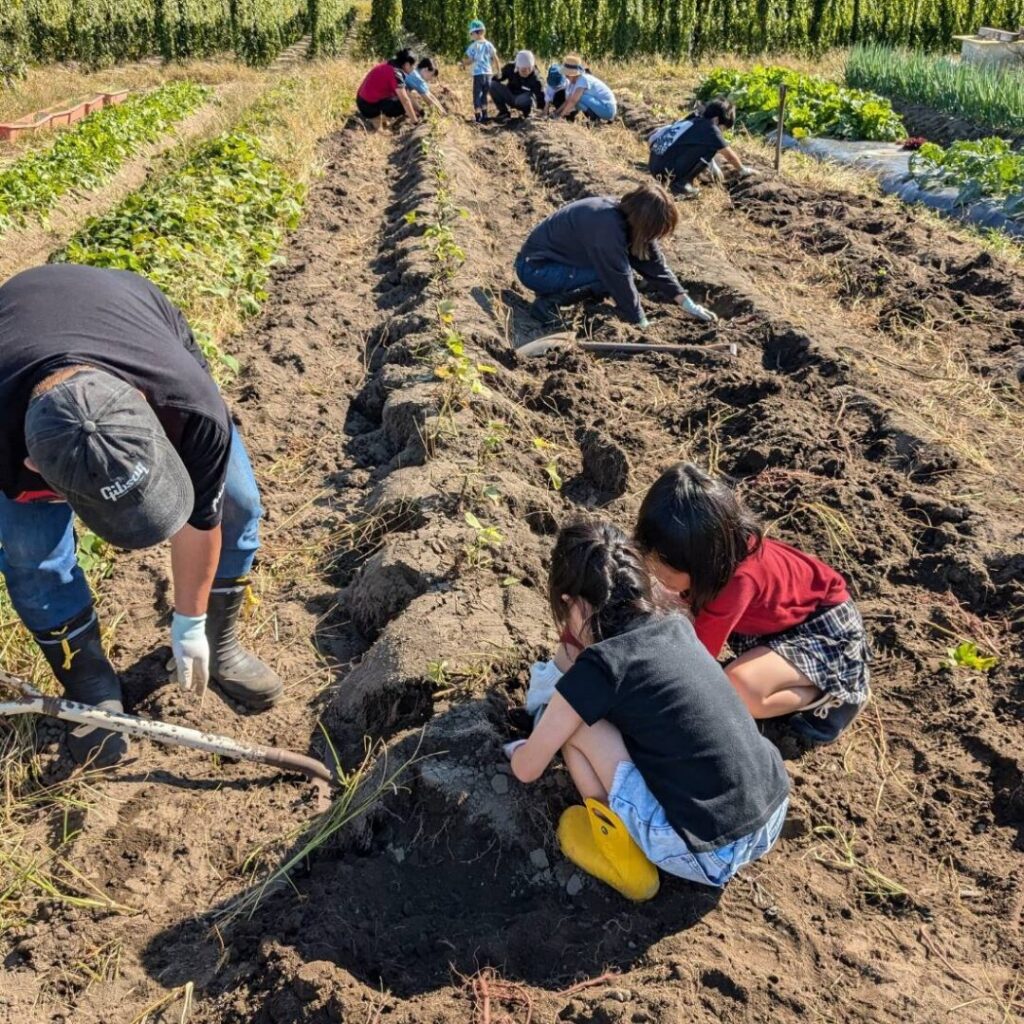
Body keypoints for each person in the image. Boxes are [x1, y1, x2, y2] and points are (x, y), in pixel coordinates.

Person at [0, 265, 284, 766]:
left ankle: (222, 641)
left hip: (128, 313)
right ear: (32, 464)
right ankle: (89, 684)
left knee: (237, 502)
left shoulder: (184, 400)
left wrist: (191, 623)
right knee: (29, 554)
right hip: (19, 350)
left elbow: (203, 520)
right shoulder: (5, 447)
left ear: (143, 406)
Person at [504, 521, 790, 899]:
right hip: (771, 808)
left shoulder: (599, 669)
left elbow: (527, 771)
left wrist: (520, 749)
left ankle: (620, 852)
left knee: (576, 727)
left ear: (572, 603)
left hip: (707, 853)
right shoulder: (677, 626)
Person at [634, 463, 871, 744]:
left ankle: (825, 694)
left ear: (701, 565)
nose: (658, 575)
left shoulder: (737, 582)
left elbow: (696, 660)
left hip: (821, 630)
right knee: (666, 605)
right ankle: (775, 669)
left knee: (739, 689)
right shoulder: (718, 551)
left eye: (665, 571)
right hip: (775, 623)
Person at [515, 182, 717, 326]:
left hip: (558, 266)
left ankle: (568, 296)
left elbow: (655, 265)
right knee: (608, 278)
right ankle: (546, 305)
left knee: (613, 277)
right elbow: (618, 276)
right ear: (644, 223)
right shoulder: (606, 226)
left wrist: (687, 303)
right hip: (535, 270)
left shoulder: (628, 220)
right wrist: (639, 320)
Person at [649, 98, 755, 198]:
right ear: (717, 120)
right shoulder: (711, 128)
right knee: (711, 148)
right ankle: (680, 185)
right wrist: (743, 169)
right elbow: (729, 155)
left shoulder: (695, 119)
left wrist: (712, 164)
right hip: (665, 171)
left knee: (707, 147)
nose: (721, 133)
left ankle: (679, 181)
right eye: (723, 129)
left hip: (654, 164)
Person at [356, 48, 419, 129]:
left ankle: (382, 119)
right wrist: (415, 123)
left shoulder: (391, 63)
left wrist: (419, 110)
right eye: (413, 66)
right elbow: (405, 100)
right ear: (407, 64)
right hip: (368, 104)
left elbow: (406, 93)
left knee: (399, 103)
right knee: (380, 131)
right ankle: (376, 119)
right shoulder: (396, 73)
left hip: (363, 98)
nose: (414, 69)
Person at [552, 54, 616, 123]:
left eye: (567, 74)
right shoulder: (574, 83)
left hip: (608, 110)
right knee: (574, 98)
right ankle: (595, 118)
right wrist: (557, 112)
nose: (566, 76)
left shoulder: (582, 80)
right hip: (601, 107)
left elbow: (573, 101)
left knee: (578, 98)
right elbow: (568, 100)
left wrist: (560, 116)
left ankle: (594, 118)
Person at [461, 19, 499, 124]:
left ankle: (478, 116)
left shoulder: (473, 46)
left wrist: (462, 64)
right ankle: (485, 115)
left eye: (471, 33)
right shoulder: (489, 44)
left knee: (477, 94)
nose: (471, 36)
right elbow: (495, 58)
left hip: (478, 74)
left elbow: (470, 60)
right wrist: (498, 70)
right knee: (484, 95)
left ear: (478, 33)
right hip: (488, 74)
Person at [490, 50, 545, 120]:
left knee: (527, 98)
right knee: (492, 85)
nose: (527, 72)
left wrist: (541, 112)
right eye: (524, 70)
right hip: (511, 96)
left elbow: (541, 97)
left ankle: (528, 114)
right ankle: (504, 112)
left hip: (524, 101)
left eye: (530, 69)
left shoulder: (537, 78)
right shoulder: (510, 68)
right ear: (517, 67)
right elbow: (497, 78)